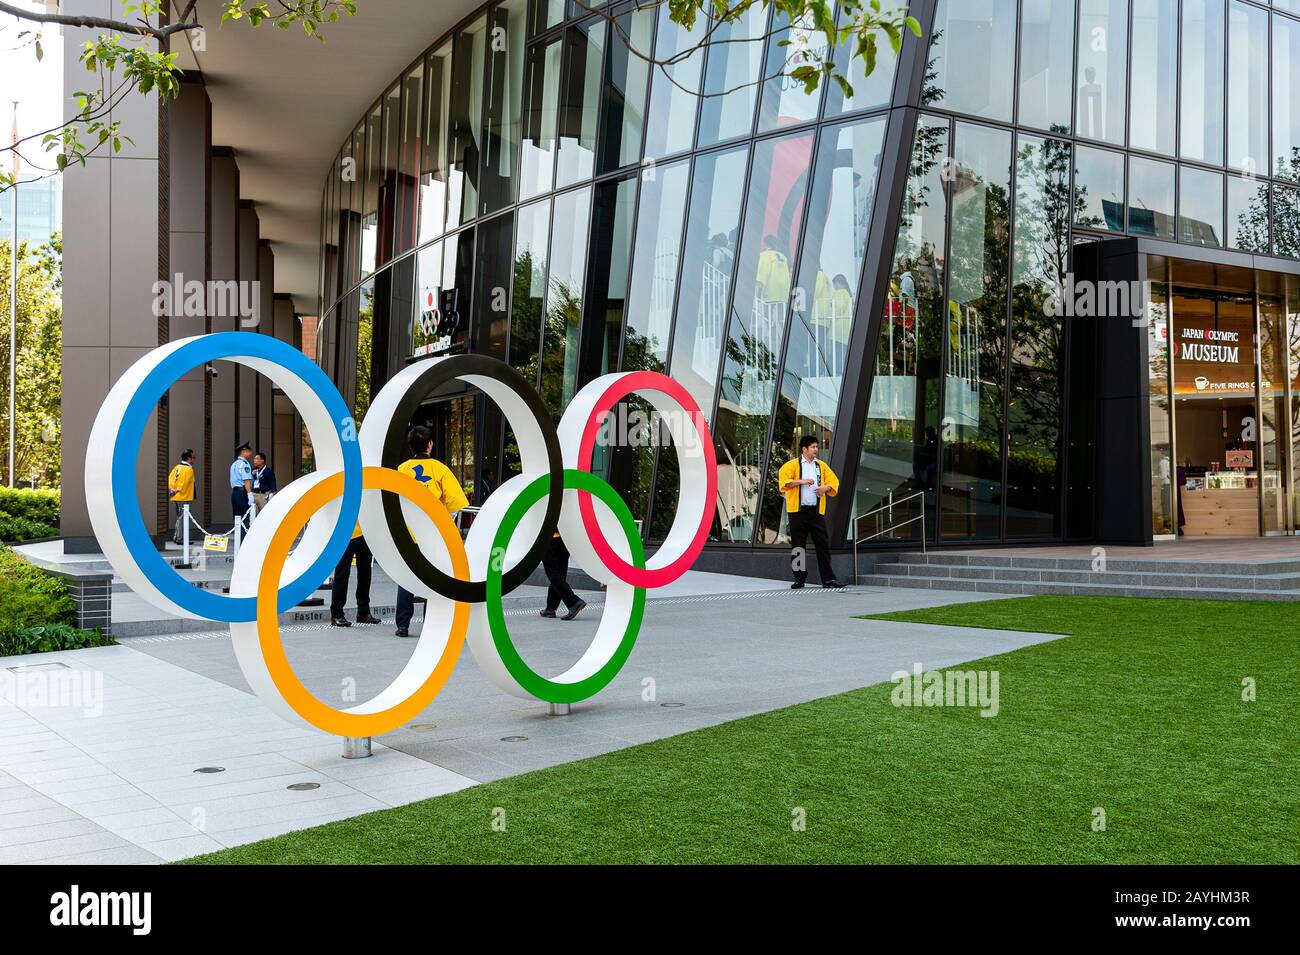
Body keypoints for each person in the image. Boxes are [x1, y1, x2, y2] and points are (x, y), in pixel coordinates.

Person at [395, 425, 468, 637]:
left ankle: (403, 624)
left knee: (407, 576)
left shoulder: (402, 469)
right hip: (434, 535)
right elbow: (456, 504)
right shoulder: (440, 469)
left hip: (408, 533)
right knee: (434, 578)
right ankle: (430, 623)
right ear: (430, 445)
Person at [778, 435, 845, 589]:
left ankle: (828, 579)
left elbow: (834, 482)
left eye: (816, 447)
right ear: (804, 449)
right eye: (813, 447)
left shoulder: (821, 466)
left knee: (823, 545)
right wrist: (802, 481)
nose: (816, 449)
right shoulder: (791, 465)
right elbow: (784, 483)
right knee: (798, 547)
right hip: (797, 513)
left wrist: (825, 488)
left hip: (816, 513)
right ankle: (799, 579)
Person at [329, 525, 381, 628]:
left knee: (365, 572)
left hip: (366, 533)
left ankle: (364, 612)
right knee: (342, 573)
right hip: (347, 532)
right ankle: (337, 614)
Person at [539, 533, 586, 621]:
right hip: (565, 539)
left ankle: (574, 602)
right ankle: (550, 608)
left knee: (553, 574)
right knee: (560, 574)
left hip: (548, 538)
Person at [167, 449, 196, 545]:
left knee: (179, 517)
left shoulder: (177, 467)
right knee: (182, 518)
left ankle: (177, 536)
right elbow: (185, 483)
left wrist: (172, 489)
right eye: (193, 457)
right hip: (184, 496)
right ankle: (179, 538)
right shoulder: (188, 469)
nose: (194, 459)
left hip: (176, 497)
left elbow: (170, 478)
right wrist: (177, 489)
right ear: (189, 458)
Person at [229, 442, 254, 530]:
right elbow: (246, 481)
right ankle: (243, 541)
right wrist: (249, 494)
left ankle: (238, 541)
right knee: (245, 517)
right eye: (249, 451)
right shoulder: (244, 464)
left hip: (235, 493)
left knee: (237, 518)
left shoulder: (234, 464)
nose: (250, 453)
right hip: (242, 493)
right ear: (243, 452)